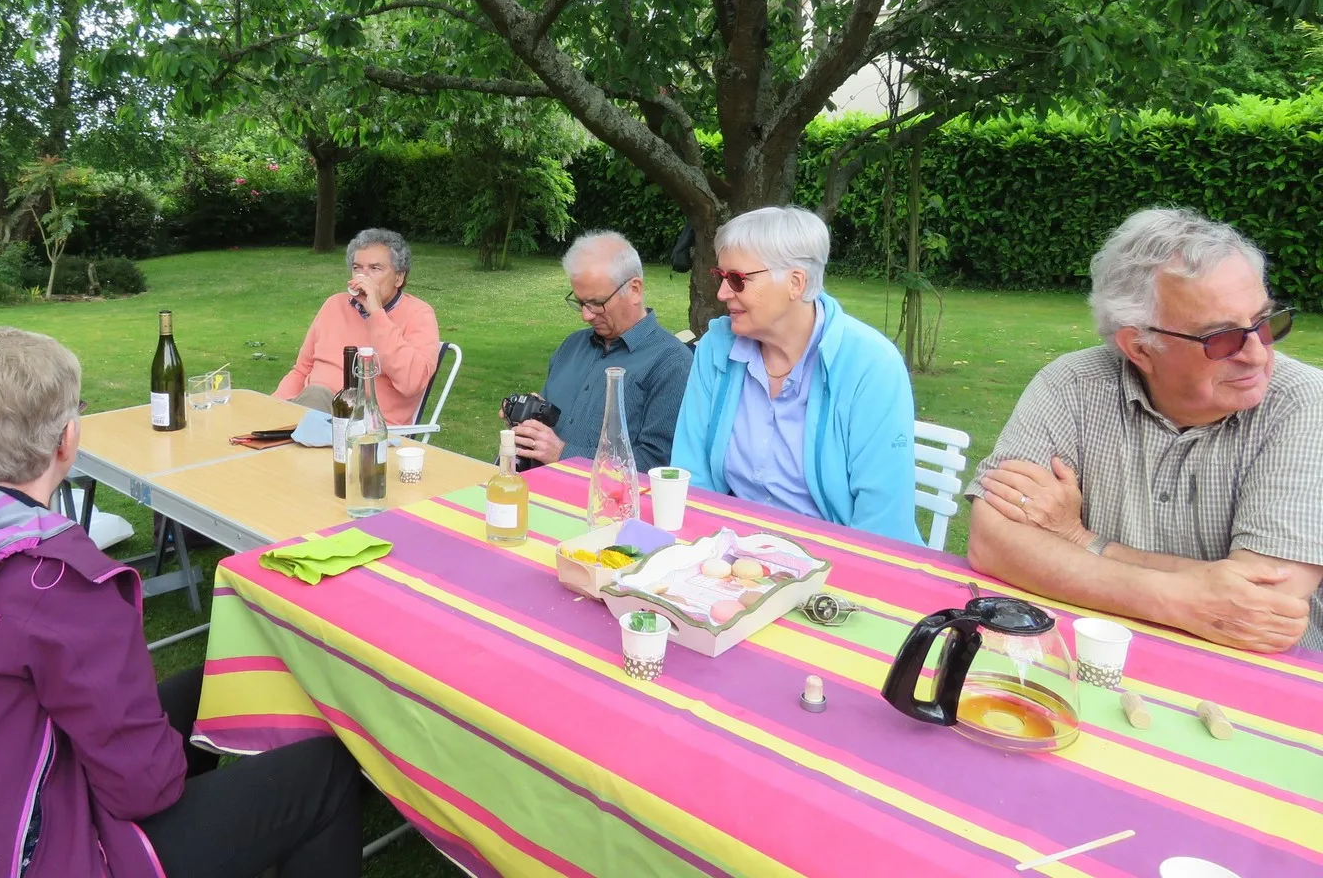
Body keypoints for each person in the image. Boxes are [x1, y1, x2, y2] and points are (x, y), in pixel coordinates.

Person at [0, 327, 360, 878]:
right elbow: (144, 790)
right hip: (31, 855)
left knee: (212, 688)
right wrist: (161, 757)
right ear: (66, 439)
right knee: (325, 774)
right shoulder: (58, 583)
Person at [965, 208, 1323, 653]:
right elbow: (992, 542)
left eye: (1265, 323)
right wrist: (1177, 599)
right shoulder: (1072, 385)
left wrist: (1082, 541)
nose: (1256, 354)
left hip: (1260, 677)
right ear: (1140, 348)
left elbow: (1262, 603)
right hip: (1092, 655)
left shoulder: (1305, 402)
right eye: (1222, 339)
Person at [670, 207, 920, 544]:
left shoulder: (871, 366)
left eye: (737, 279)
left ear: (795, 283)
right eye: (721, 276)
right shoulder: (716, 348)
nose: (722, 293)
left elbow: (882, 526)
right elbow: (692, 477)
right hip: (731, 552)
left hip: (835, 559)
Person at [508, 231, 692, 472]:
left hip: (602, 496)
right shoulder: (572, 346)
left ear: (634, 289)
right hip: (532, 484)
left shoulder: (671, 362)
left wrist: (562, 454)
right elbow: (548, 429)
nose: (586, 316)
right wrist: (530, 421)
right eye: (580, 303)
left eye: (597, 303)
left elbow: (656, 464)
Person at [274, 228, 440, 425]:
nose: (363, 277)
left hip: (367, 426)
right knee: (276, 411)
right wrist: (272, 406)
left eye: (375, 269)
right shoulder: (334, 305)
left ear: (399, 277)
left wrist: (376, 314)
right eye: (357, 268)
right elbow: (302, 370)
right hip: (312, 411)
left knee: (315, 396)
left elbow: (412, 382)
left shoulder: (418, 314)